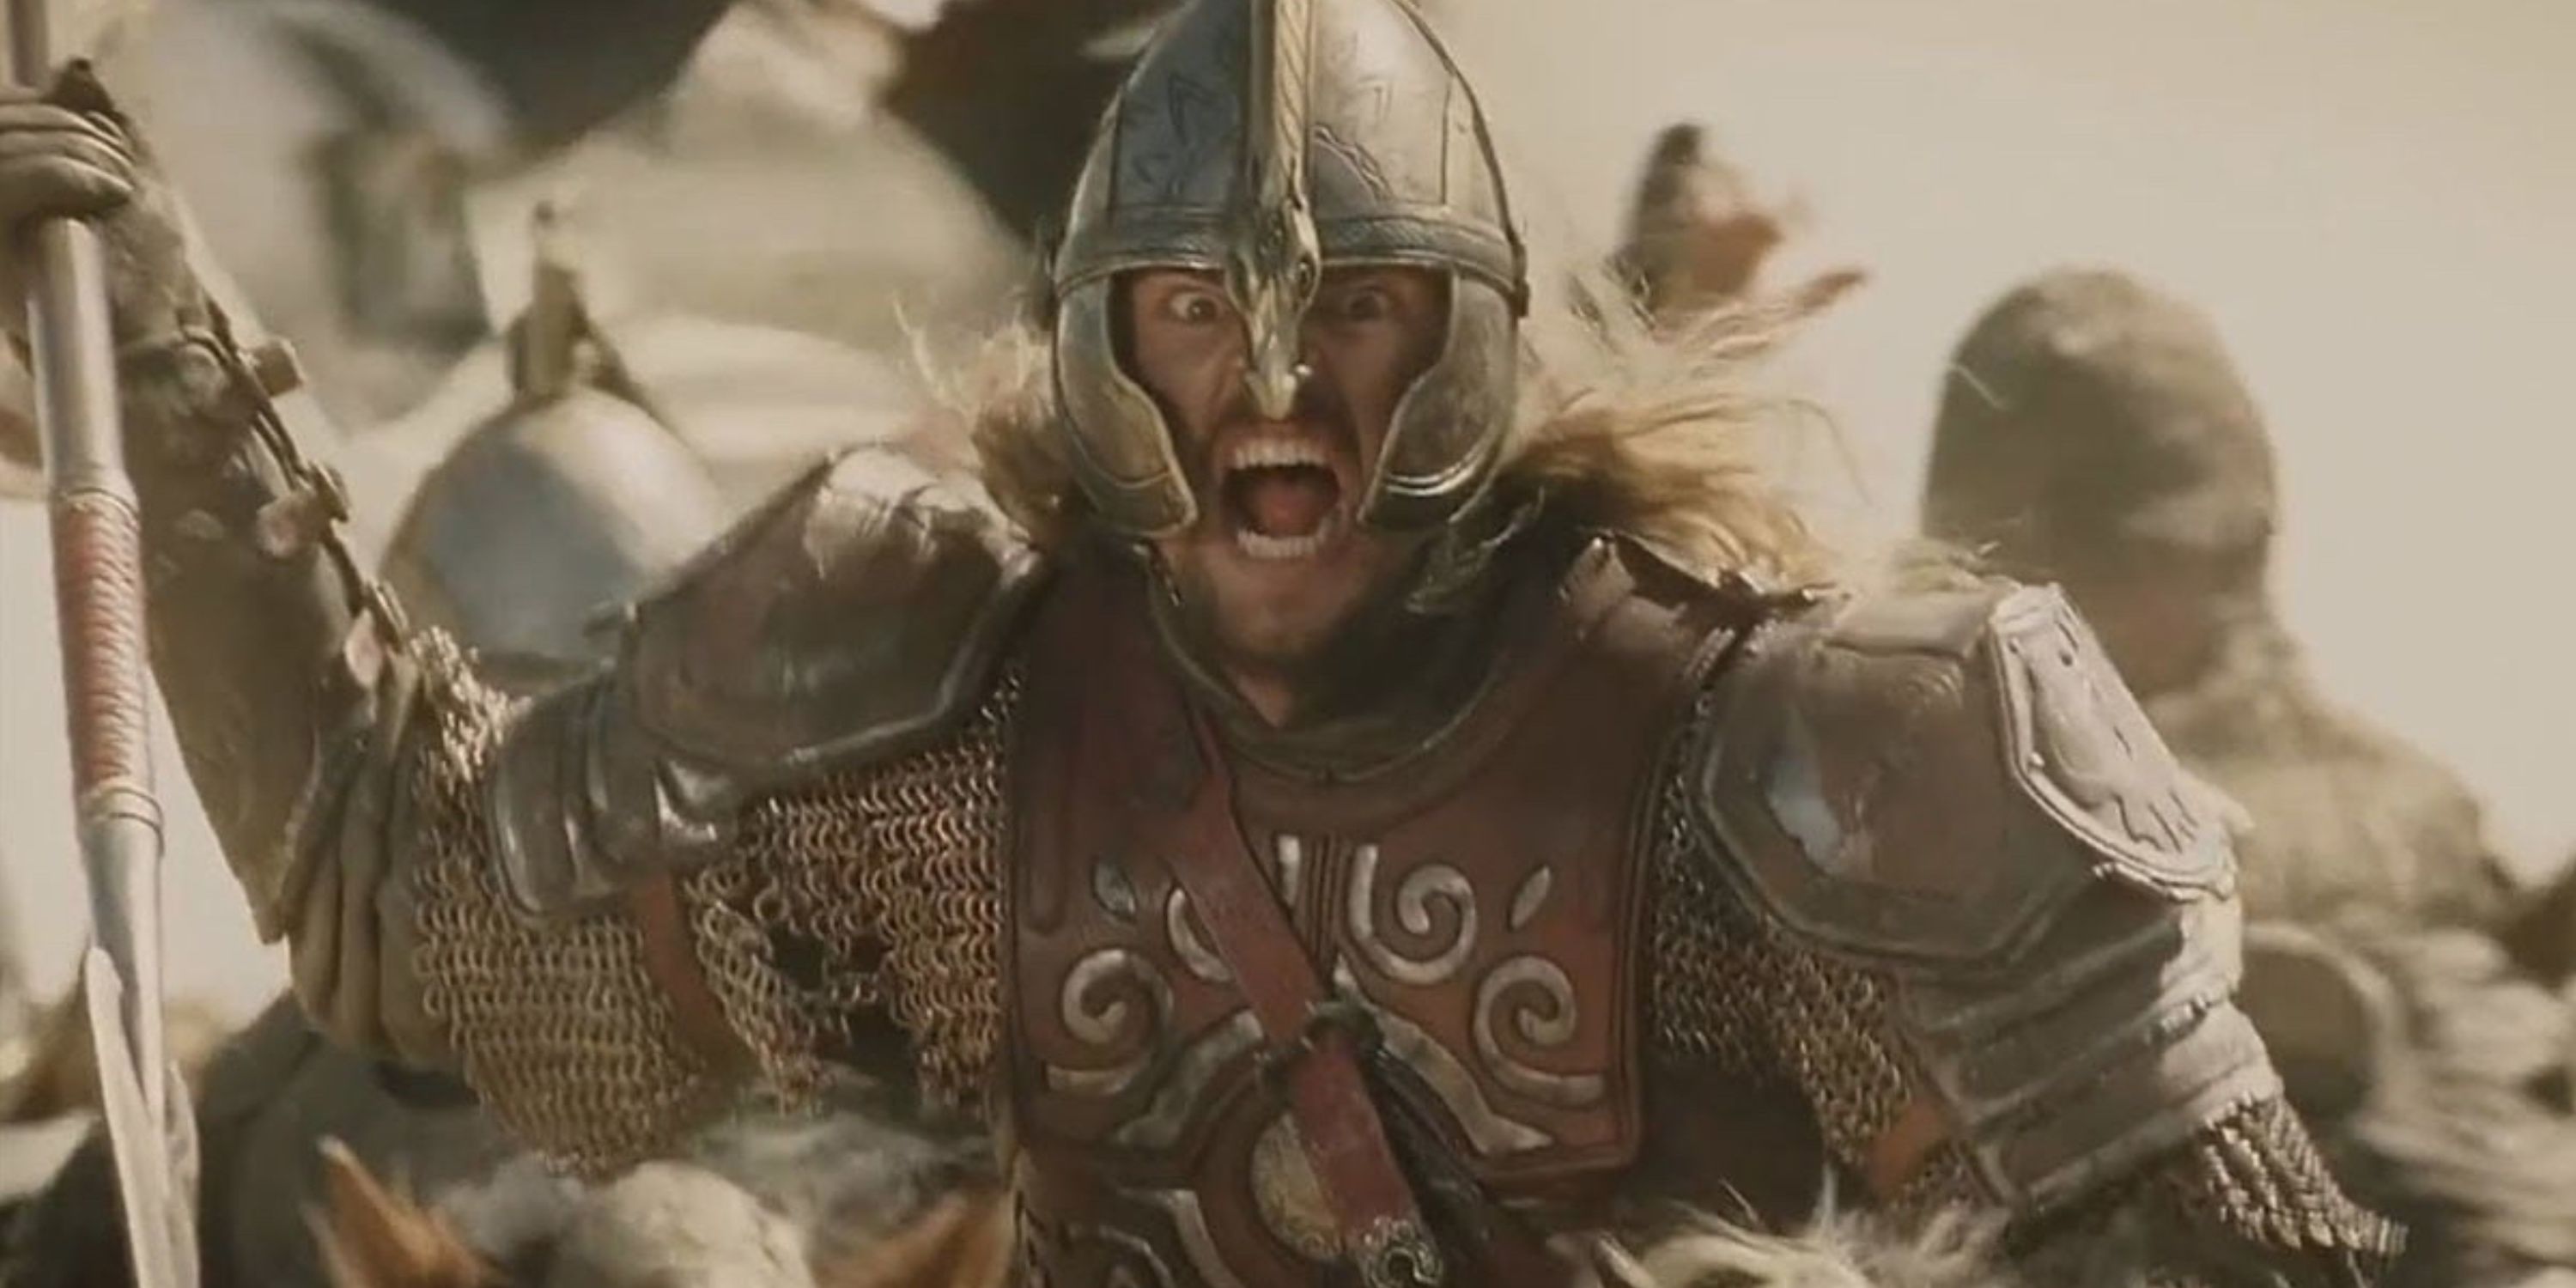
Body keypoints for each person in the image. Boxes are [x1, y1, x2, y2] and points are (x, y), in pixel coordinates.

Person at [0, 4, 2394, 1285]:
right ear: (1092, 341)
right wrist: (168, 353)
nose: (1267, 386)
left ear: (1466, 337)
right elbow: (425, 928)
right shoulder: (935, 708)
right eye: (1186, 313)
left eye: (1347, 310)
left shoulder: (1841, 756)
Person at [1923, 267, 2518, 937]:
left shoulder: (2417, 822)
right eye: (2132, 559)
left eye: (2229, 553)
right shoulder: (1908, 817)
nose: (2219, 597)